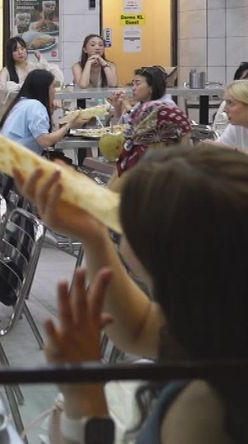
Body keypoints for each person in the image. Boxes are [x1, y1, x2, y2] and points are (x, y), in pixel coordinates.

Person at [14, 145, 248, 444]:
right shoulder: (223, 319)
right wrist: (94, 236)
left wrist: (83, 398)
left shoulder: (207, 407)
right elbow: (139, 329)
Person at [0, 69, 87, 155]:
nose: (55, 91)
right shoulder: (35, 106)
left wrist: (51, 111)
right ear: (43, 88)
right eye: (53, 87)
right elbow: (45, 141)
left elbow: (37, 130)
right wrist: (70, 125)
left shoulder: (22, 102)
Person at [112, 101, 191, 186]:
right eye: (188, 141)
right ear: (168, 144)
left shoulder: (128, 166)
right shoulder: (164, 183)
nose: (189, 148)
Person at [109, 66, 174, 126]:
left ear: (152, 88)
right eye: (133, 84)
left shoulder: (164, 108)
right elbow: (123, 126)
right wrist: (117, 108)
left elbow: (137, 127)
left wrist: (126, 104)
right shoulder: (143, 102)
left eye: (137, 84)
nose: (133, 88)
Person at [214, 80, 248, 152]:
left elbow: (226, 150)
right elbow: (219, 151)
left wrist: (233, 151)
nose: (225, 110)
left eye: (230, 103)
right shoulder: (236, 126)